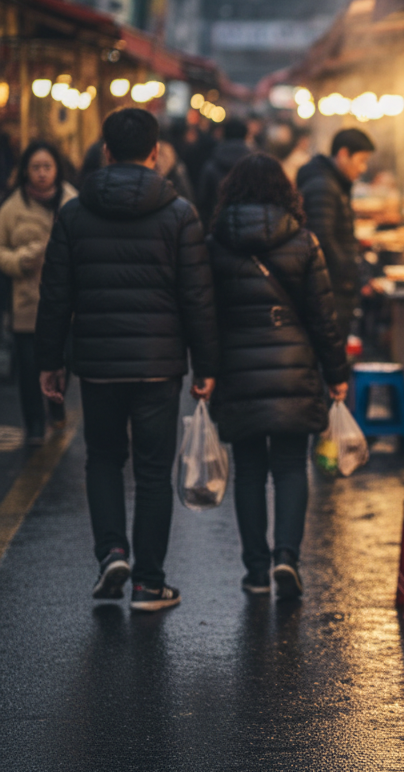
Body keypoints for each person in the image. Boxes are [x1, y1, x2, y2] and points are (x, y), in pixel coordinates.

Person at [35, 108, 218, 611]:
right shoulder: (180, 214)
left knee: (104, 458)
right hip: (159, 364)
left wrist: (49, 360)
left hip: (97, 363)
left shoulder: (73, 212)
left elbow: (56, 293)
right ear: (155, 153)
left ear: (106, 152)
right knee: (154, 472)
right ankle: (149, 584)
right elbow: (198, 298)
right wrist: (207, 366)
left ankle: (112, 553)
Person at [207, 153, 349, 598]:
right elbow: (324, 317)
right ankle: (286, 557)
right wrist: (336, 372)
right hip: (294, 371)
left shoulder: (213, 244)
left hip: (238, 373)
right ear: (284, 192)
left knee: (249, 471)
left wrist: (206, 370)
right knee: (290, 467)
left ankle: (255, 572)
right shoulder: (304, 242)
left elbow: (204, 315)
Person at [0, 142, 77, 446]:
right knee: (29, 369)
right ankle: (34, 423)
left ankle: (56, 405)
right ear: (25, 171)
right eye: (36, 167)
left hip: (66, 305)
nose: (42, 173)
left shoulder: (72, 201)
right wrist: (20, 260)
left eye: (47, 167)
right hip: (27, 304)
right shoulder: (12, 208)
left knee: (65, 362)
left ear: (57, 169)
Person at [297, 128, 375, 338]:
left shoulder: (333, 183)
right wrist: (349, 274)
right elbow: (322, 239)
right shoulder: (324, 186)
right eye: (361, 160)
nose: (363, 168)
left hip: (334, 285)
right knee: (333, 343)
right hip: (331, 288)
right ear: (343, 154)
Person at [197, 117, 251, 226]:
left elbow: (203, 200)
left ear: (224, 135)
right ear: (245, 136)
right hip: (249, 225)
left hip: (217, 224)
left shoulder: (211, 165)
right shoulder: (254, 165)